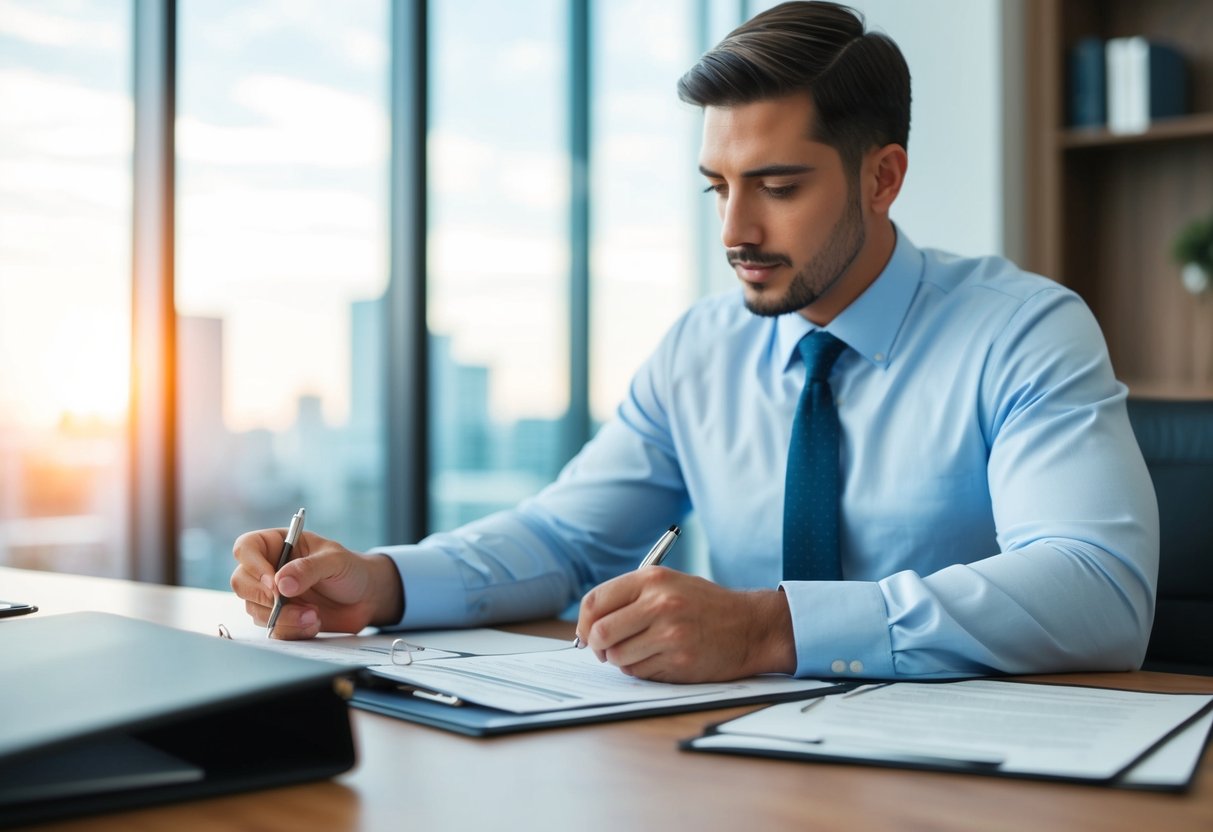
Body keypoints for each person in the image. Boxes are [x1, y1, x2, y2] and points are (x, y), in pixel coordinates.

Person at [230, 1, 1158, 684]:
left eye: (778, 186)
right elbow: (564, 538)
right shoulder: (700, 349)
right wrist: (380, 585)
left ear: (882, 179)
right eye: (717, 186)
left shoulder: (1023, 330)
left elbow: (1097, 590)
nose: (734, 231)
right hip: (735, 763)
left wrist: (768, 630)